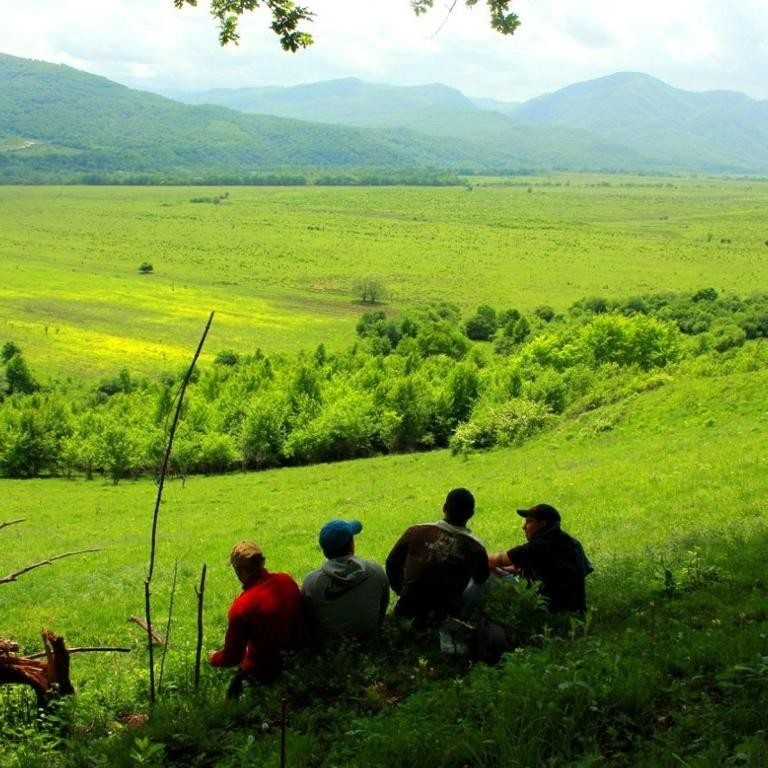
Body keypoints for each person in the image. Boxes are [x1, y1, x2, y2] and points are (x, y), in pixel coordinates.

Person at [209, 540, 304, 698]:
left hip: (265, 670)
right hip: (299, 657)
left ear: (240, 570)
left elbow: (233, 657)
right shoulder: (285, 580)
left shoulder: (242, 606)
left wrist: (214, 658)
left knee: (233, 693)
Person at [385, 487, 490, 628]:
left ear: (444, 507)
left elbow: (391, 563)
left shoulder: (416, 532)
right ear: (471, 514)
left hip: (407, 608)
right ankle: (461, 617)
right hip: (445, 614)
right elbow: (481, 579)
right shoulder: (476, 548)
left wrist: (403, 591)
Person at [488, 503, 593, 614]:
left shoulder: (537, 546)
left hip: (548, 610)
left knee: (487, 569)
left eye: (529, 522)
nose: (523, 527)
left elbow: (492, 560)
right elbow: (554, 569)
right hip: (576, 608)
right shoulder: (571, 542)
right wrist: (514, 569)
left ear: (542, 524)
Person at [301, 519, 389, 641]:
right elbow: (382, 609)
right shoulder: (376, 571)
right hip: (371, 642)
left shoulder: (311, 583)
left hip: (330, 647)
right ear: (351, 545)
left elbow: (308, 622)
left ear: (325, 551)